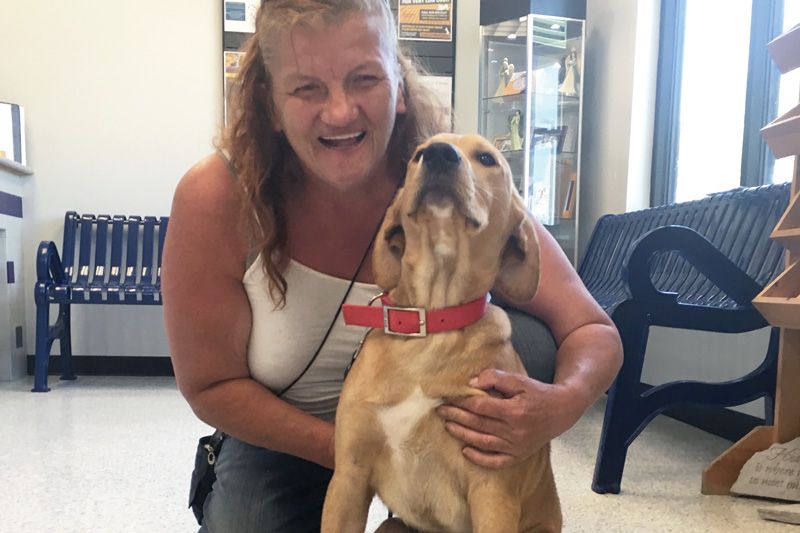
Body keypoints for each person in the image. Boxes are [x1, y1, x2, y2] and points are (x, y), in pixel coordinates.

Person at [162, 1, 623, 532]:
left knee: (532, 337)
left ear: (399, 87)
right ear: (269, 102)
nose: (339, 111)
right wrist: (369, 447)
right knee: (248, 522)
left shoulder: (451, 178)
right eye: (306, 88)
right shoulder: (218, 197)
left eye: (364, 79)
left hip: (448, 419)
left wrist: (555, 408)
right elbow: (210, 385)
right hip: (283, 434)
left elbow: (593, 329)